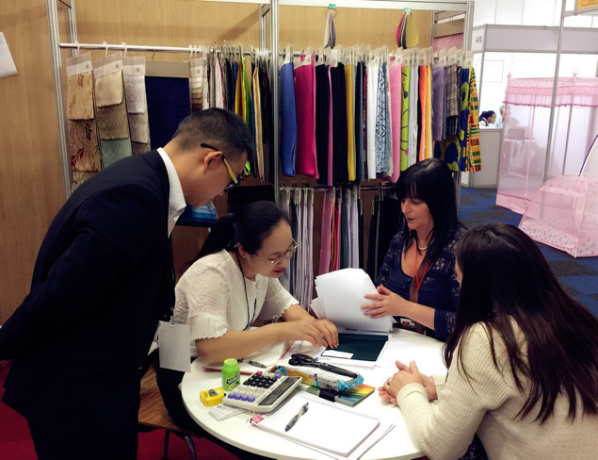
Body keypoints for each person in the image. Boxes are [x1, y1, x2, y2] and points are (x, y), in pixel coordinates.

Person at [0, 108, 254, 459]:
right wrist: (6, 344)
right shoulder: (136, 196)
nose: (223, 192)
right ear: (211, 160)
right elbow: (63, 293)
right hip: (76, 397)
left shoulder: (146, 182)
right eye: (231, 179)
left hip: (104, 386)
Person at [379, 223, 598, 460]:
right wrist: (442, 386)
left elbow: (440, 447)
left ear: (477, 286)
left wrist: (408, 390)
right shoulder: (572, 318)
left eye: (459, 279)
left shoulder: (487, 338)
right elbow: (520, 385)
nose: (458, 285)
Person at [158, 200, 338, 438]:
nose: (284, 262)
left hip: (225, 368)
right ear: (243, 250)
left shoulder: (260, 268)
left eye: (288, 250)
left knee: (291, 406)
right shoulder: (213, 273)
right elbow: (210, 348)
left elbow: (288, 307)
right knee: (267, 431)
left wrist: (313, 326)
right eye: (274, 256)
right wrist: (281, 330)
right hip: (185, 378)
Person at [361, 158, 465, 340]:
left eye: (415, 201)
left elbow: (468, 324)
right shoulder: (400, 240)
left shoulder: (460, 250)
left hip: (440, 349)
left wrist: (404, 308)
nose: (404, 209)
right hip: (396, 343)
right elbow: (380, 290)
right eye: (403, 200)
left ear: (439, 202)